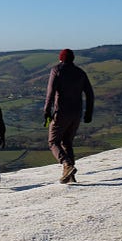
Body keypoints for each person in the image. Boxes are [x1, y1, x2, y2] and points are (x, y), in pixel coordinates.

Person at [43, 49, 94, 183]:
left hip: (61, 112)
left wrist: (46, 111)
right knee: (67, 142)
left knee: (53, 141)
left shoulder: (57, 70)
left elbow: (50, 92)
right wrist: (88, 113)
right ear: (72, 59)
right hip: (76, 113)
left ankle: (67, 164)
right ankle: (70, 177)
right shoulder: (80, 72)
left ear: (61, 58)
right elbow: (90, 94)